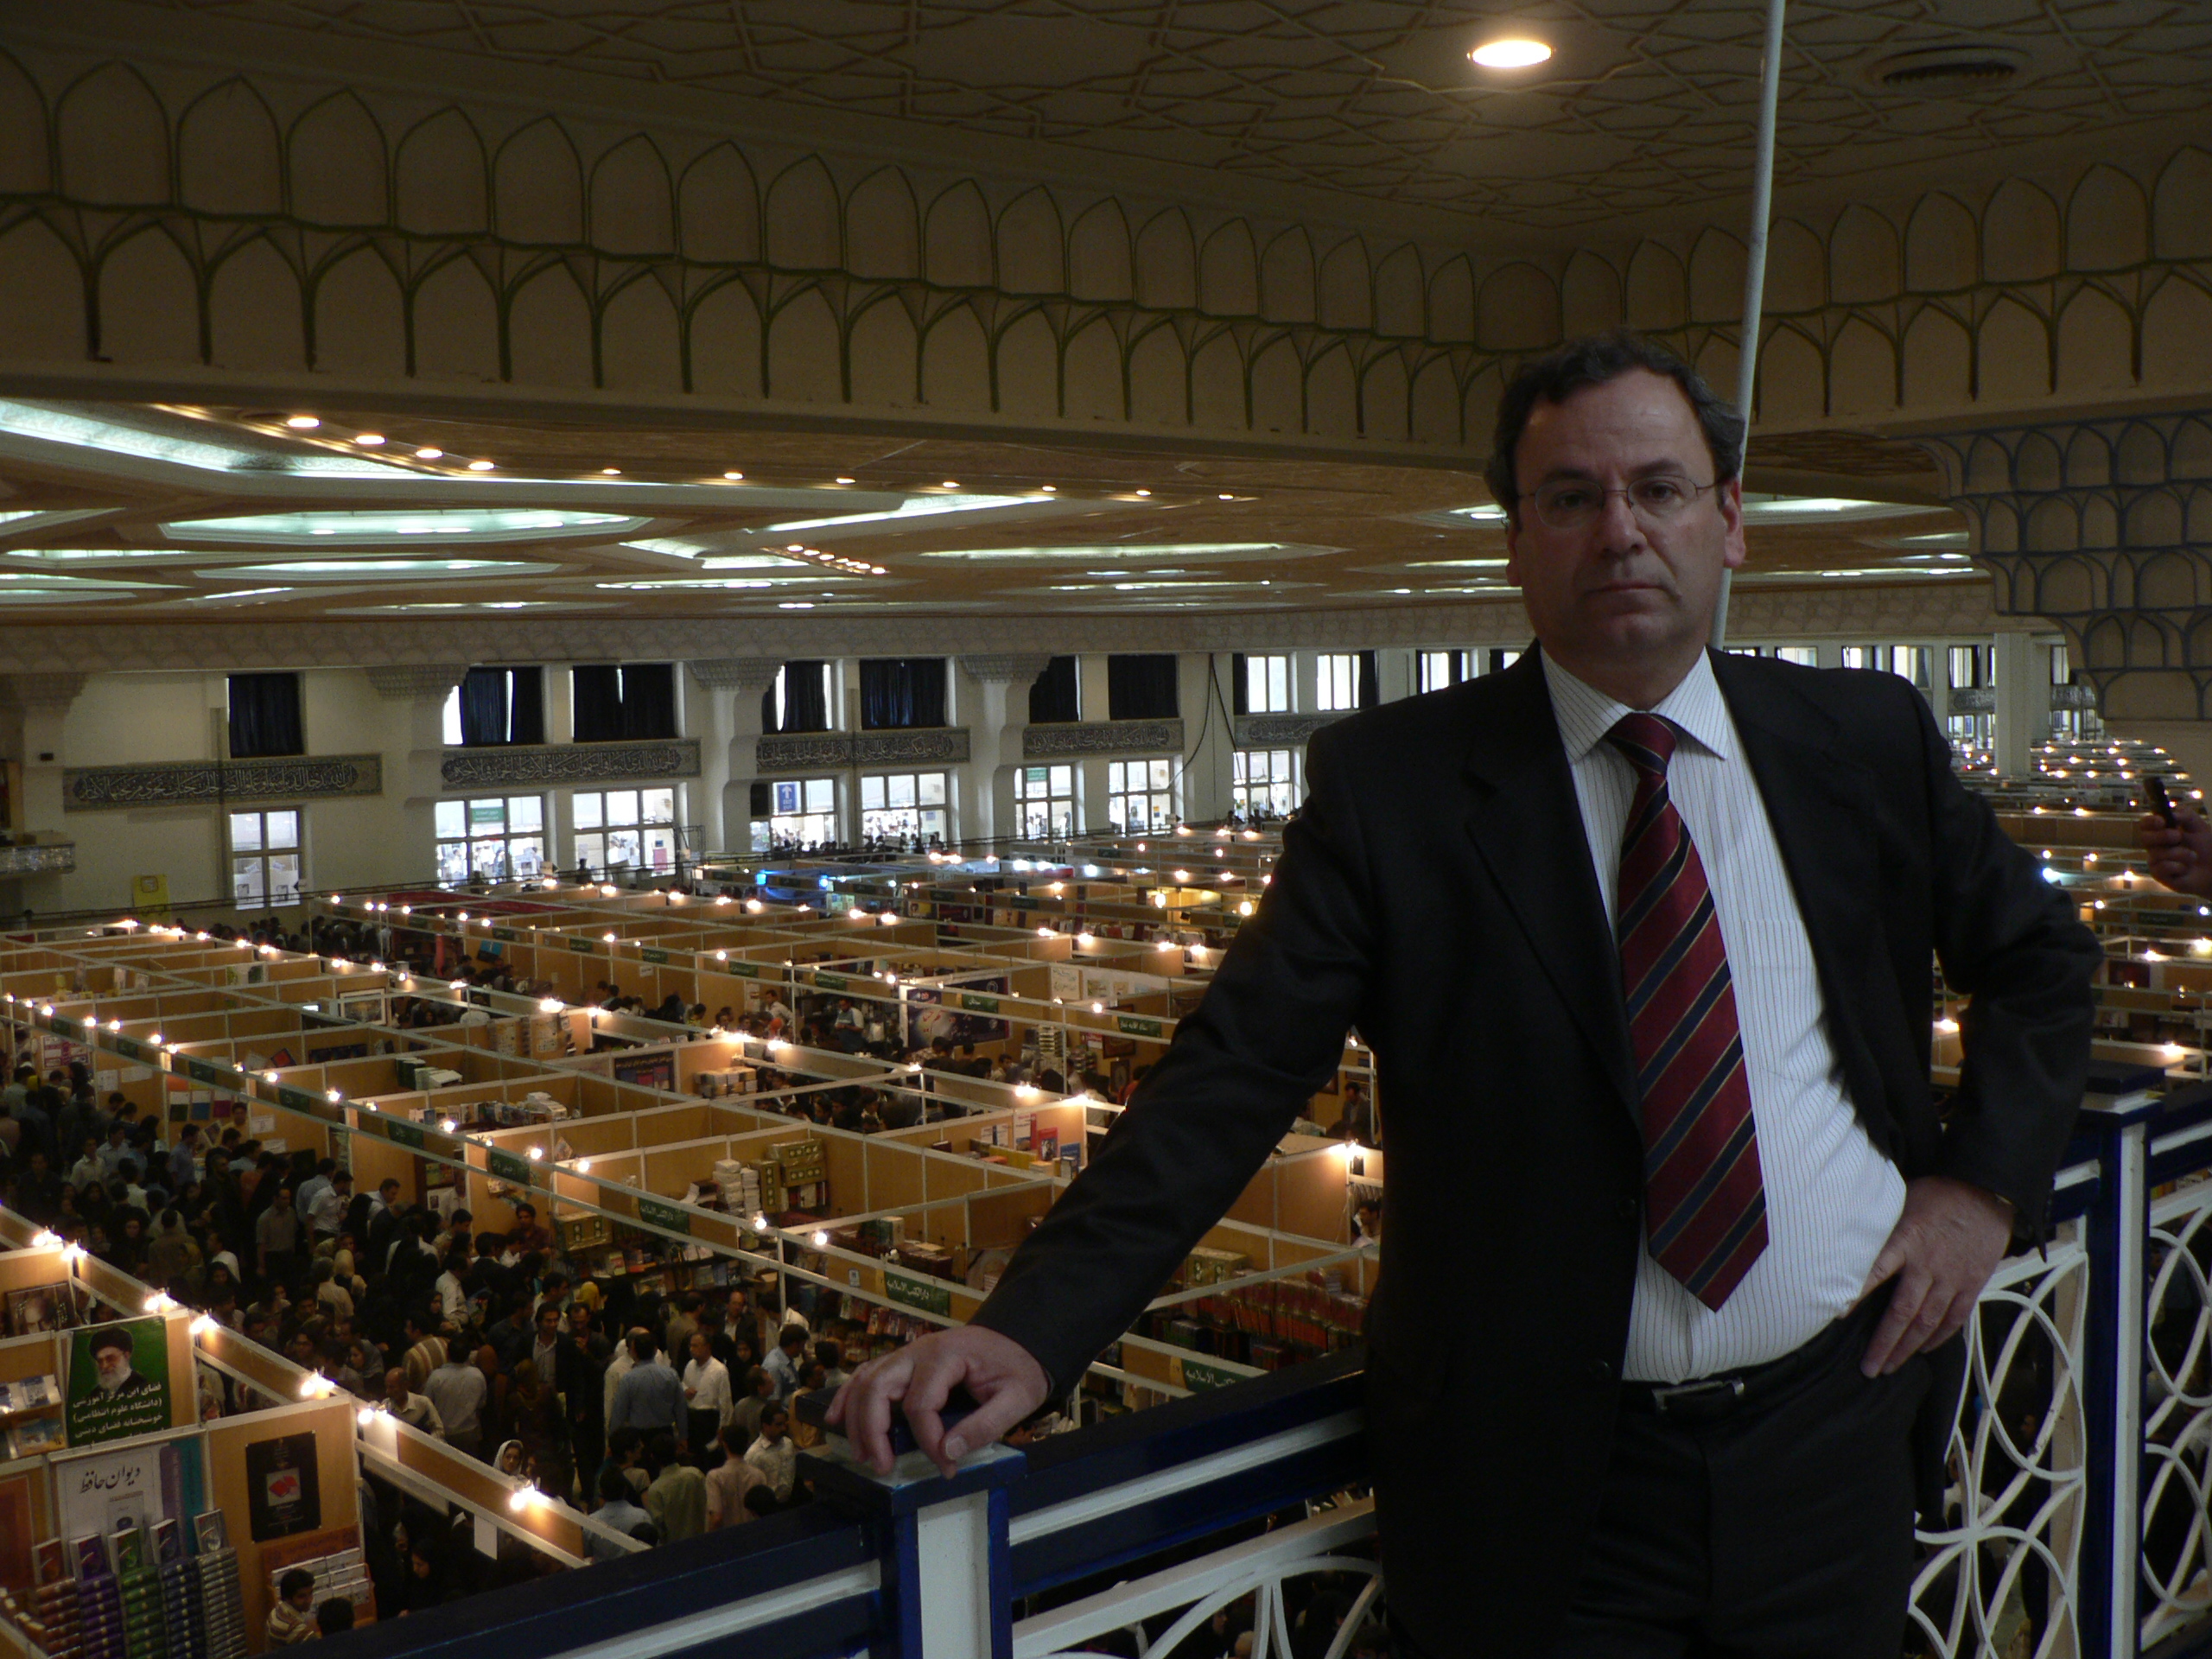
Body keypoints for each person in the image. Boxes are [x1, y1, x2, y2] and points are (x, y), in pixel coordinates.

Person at [829, 332, 2100, 1659]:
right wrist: (1031, 1331)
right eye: (1572, 497)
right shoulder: (1398, 789)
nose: (1621, 531)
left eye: (1660, 489)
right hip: (1544, 1490)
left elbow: (2044, 960)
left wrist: (1980, 1189)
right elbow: (1236, 1069)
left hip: (1834, 1440)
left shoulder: (1860, 740)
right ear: (1516, 542)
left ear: (1729, 521)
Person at [704, 1422, 767, 1529]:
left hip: (727, 1535)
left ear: (724, 1444)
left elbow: (716, 1518)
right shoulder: (759, 1475)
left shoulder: (715, 1477)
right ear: (747, 1444)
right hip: (753, 1533)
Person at [680, 1329, 731, 1461]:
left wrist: (723, 1428)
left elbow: (725, 1403)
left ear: (707, 1347)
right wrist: (685, 1390)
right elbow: (683, 1384)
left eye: (695, 1346)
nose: (691, 1349)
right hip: (692, 1419)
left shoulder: (719, 1370)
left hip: (709, 1421)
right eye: (690, 1346)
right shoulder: (690, 1365)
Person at [742, 1404, 797, 1503]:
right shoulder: (753, 1455)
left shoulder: (788, 1444)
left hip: (790, 1501)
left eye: (784, 1424)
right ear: (765, 1426)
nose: (783, 1428)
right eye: (778, 1425)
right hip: (768, 1506)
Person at [86, 1325, 159, 1395]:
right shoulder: (94, 1395)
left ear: (126, 1356)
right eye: (100, 1361)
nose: (104, 1366)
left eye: (110, 1359)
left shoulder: (143, 1386)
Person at [265, 1569, 319, 1644]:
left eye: (310, 1593)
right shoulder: (295, 1629)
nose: (309, 1600)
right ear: (288, 1598)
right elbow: (319, 1646)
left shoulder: (276, 1611)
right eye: (301, 1596)